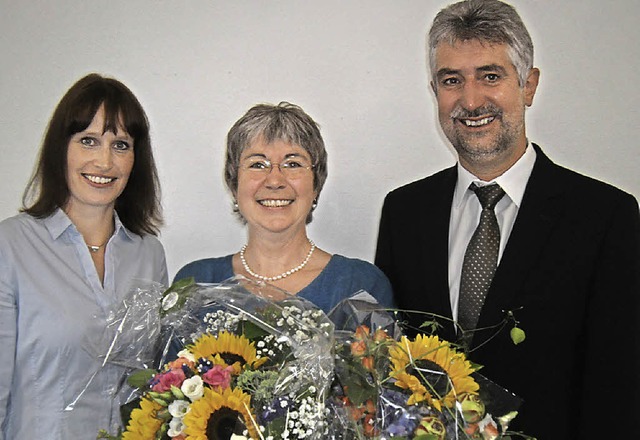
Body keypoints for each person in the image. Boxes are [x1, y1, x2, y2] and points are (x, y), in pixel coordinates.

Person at [374, 0, 640, 438]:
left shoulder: (603, 216)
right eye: (451, 80)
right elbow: (388, 366)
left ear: (529, 85)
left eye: (490, 76)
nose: (471, 100)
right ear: (434, 90)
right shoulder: (405, 211)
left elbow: (617, 385)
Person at [0, 73, 168, 439]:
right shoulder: (9, 246)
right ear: (61, 149)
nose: (104, 161)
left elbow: (154, 386)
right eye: (88, 141)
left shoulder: (149, 254)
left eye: (121, 145)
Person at [174, 102, 393, 313]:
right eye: (258, 164)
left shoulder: (360, 286)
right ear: (234, 184)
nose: (275, 180)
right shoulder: (196, 283)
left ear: (316, 185)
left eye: (293, 164)